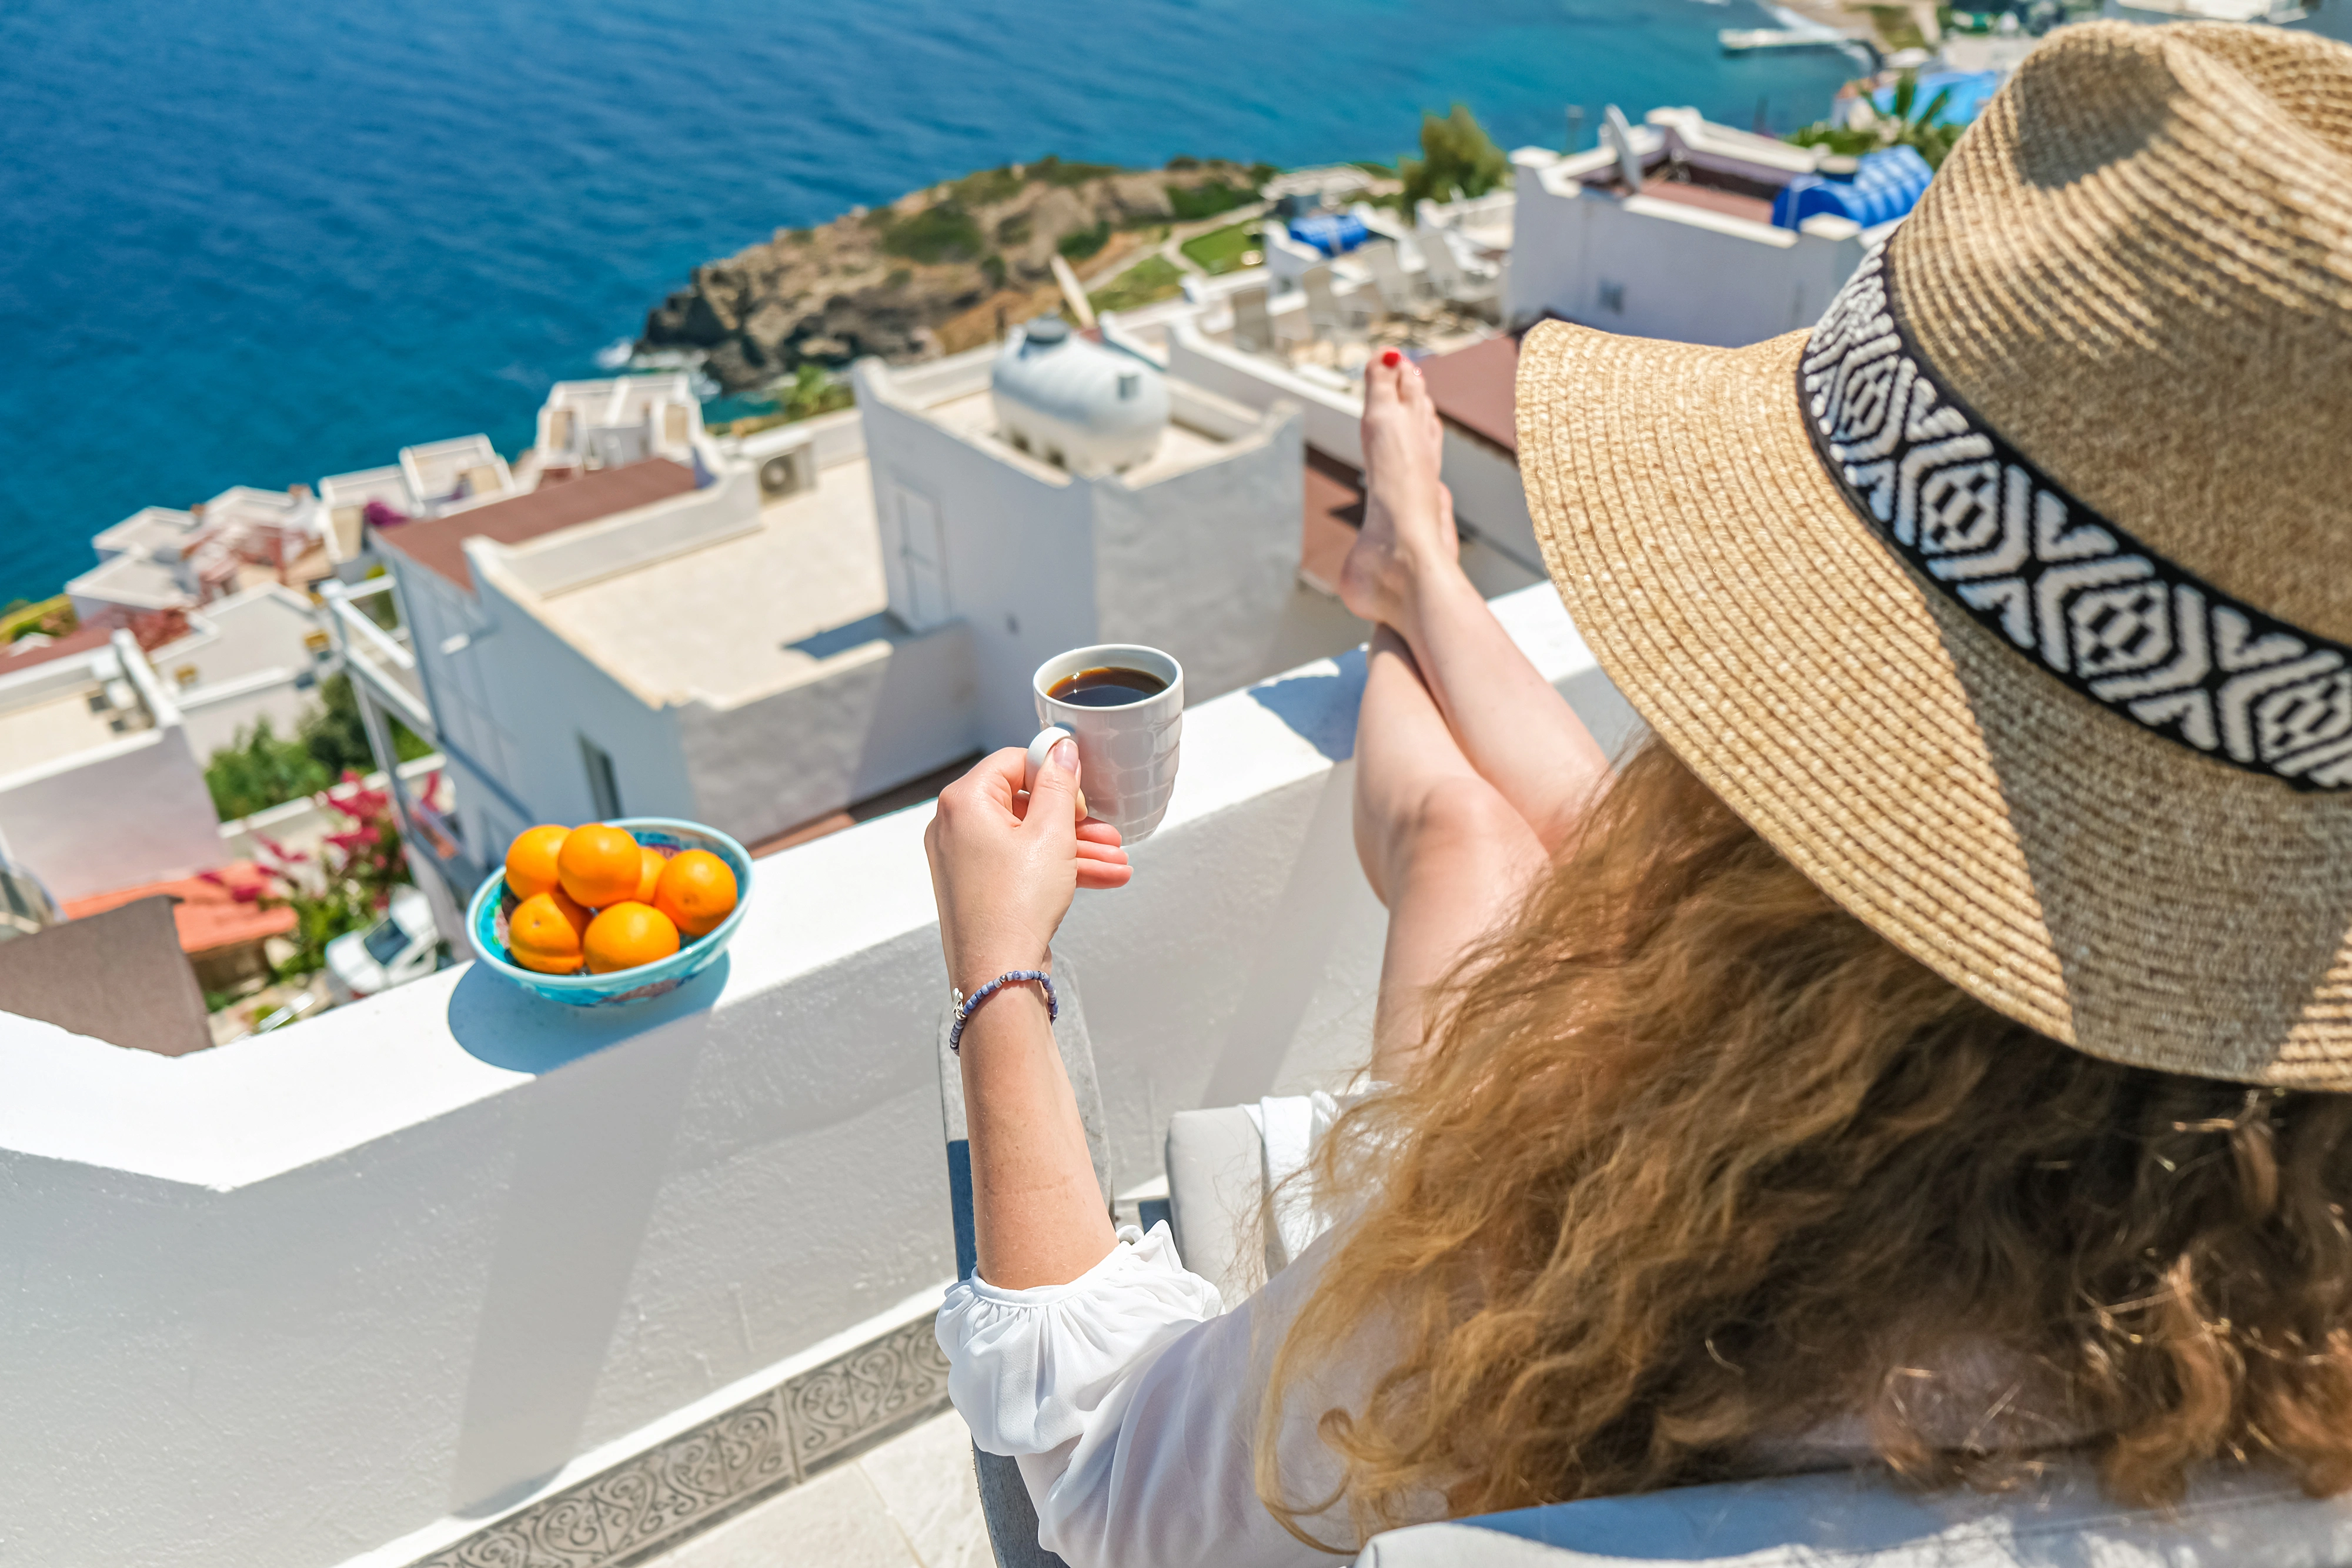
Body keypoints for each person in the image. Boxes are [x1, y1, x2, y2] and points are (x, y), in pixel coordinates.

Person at [925, 21, 2352, 1567]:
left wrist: (999, 969)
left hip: (1524, 1330)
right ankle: (1420, 583)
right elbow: (1687, 887)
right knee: (1515, 841)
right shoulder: (2265, 1305)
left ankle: (1404, 586)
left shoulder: (1583, 1267)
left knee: (1463, 838)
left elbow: (1112, 1480)